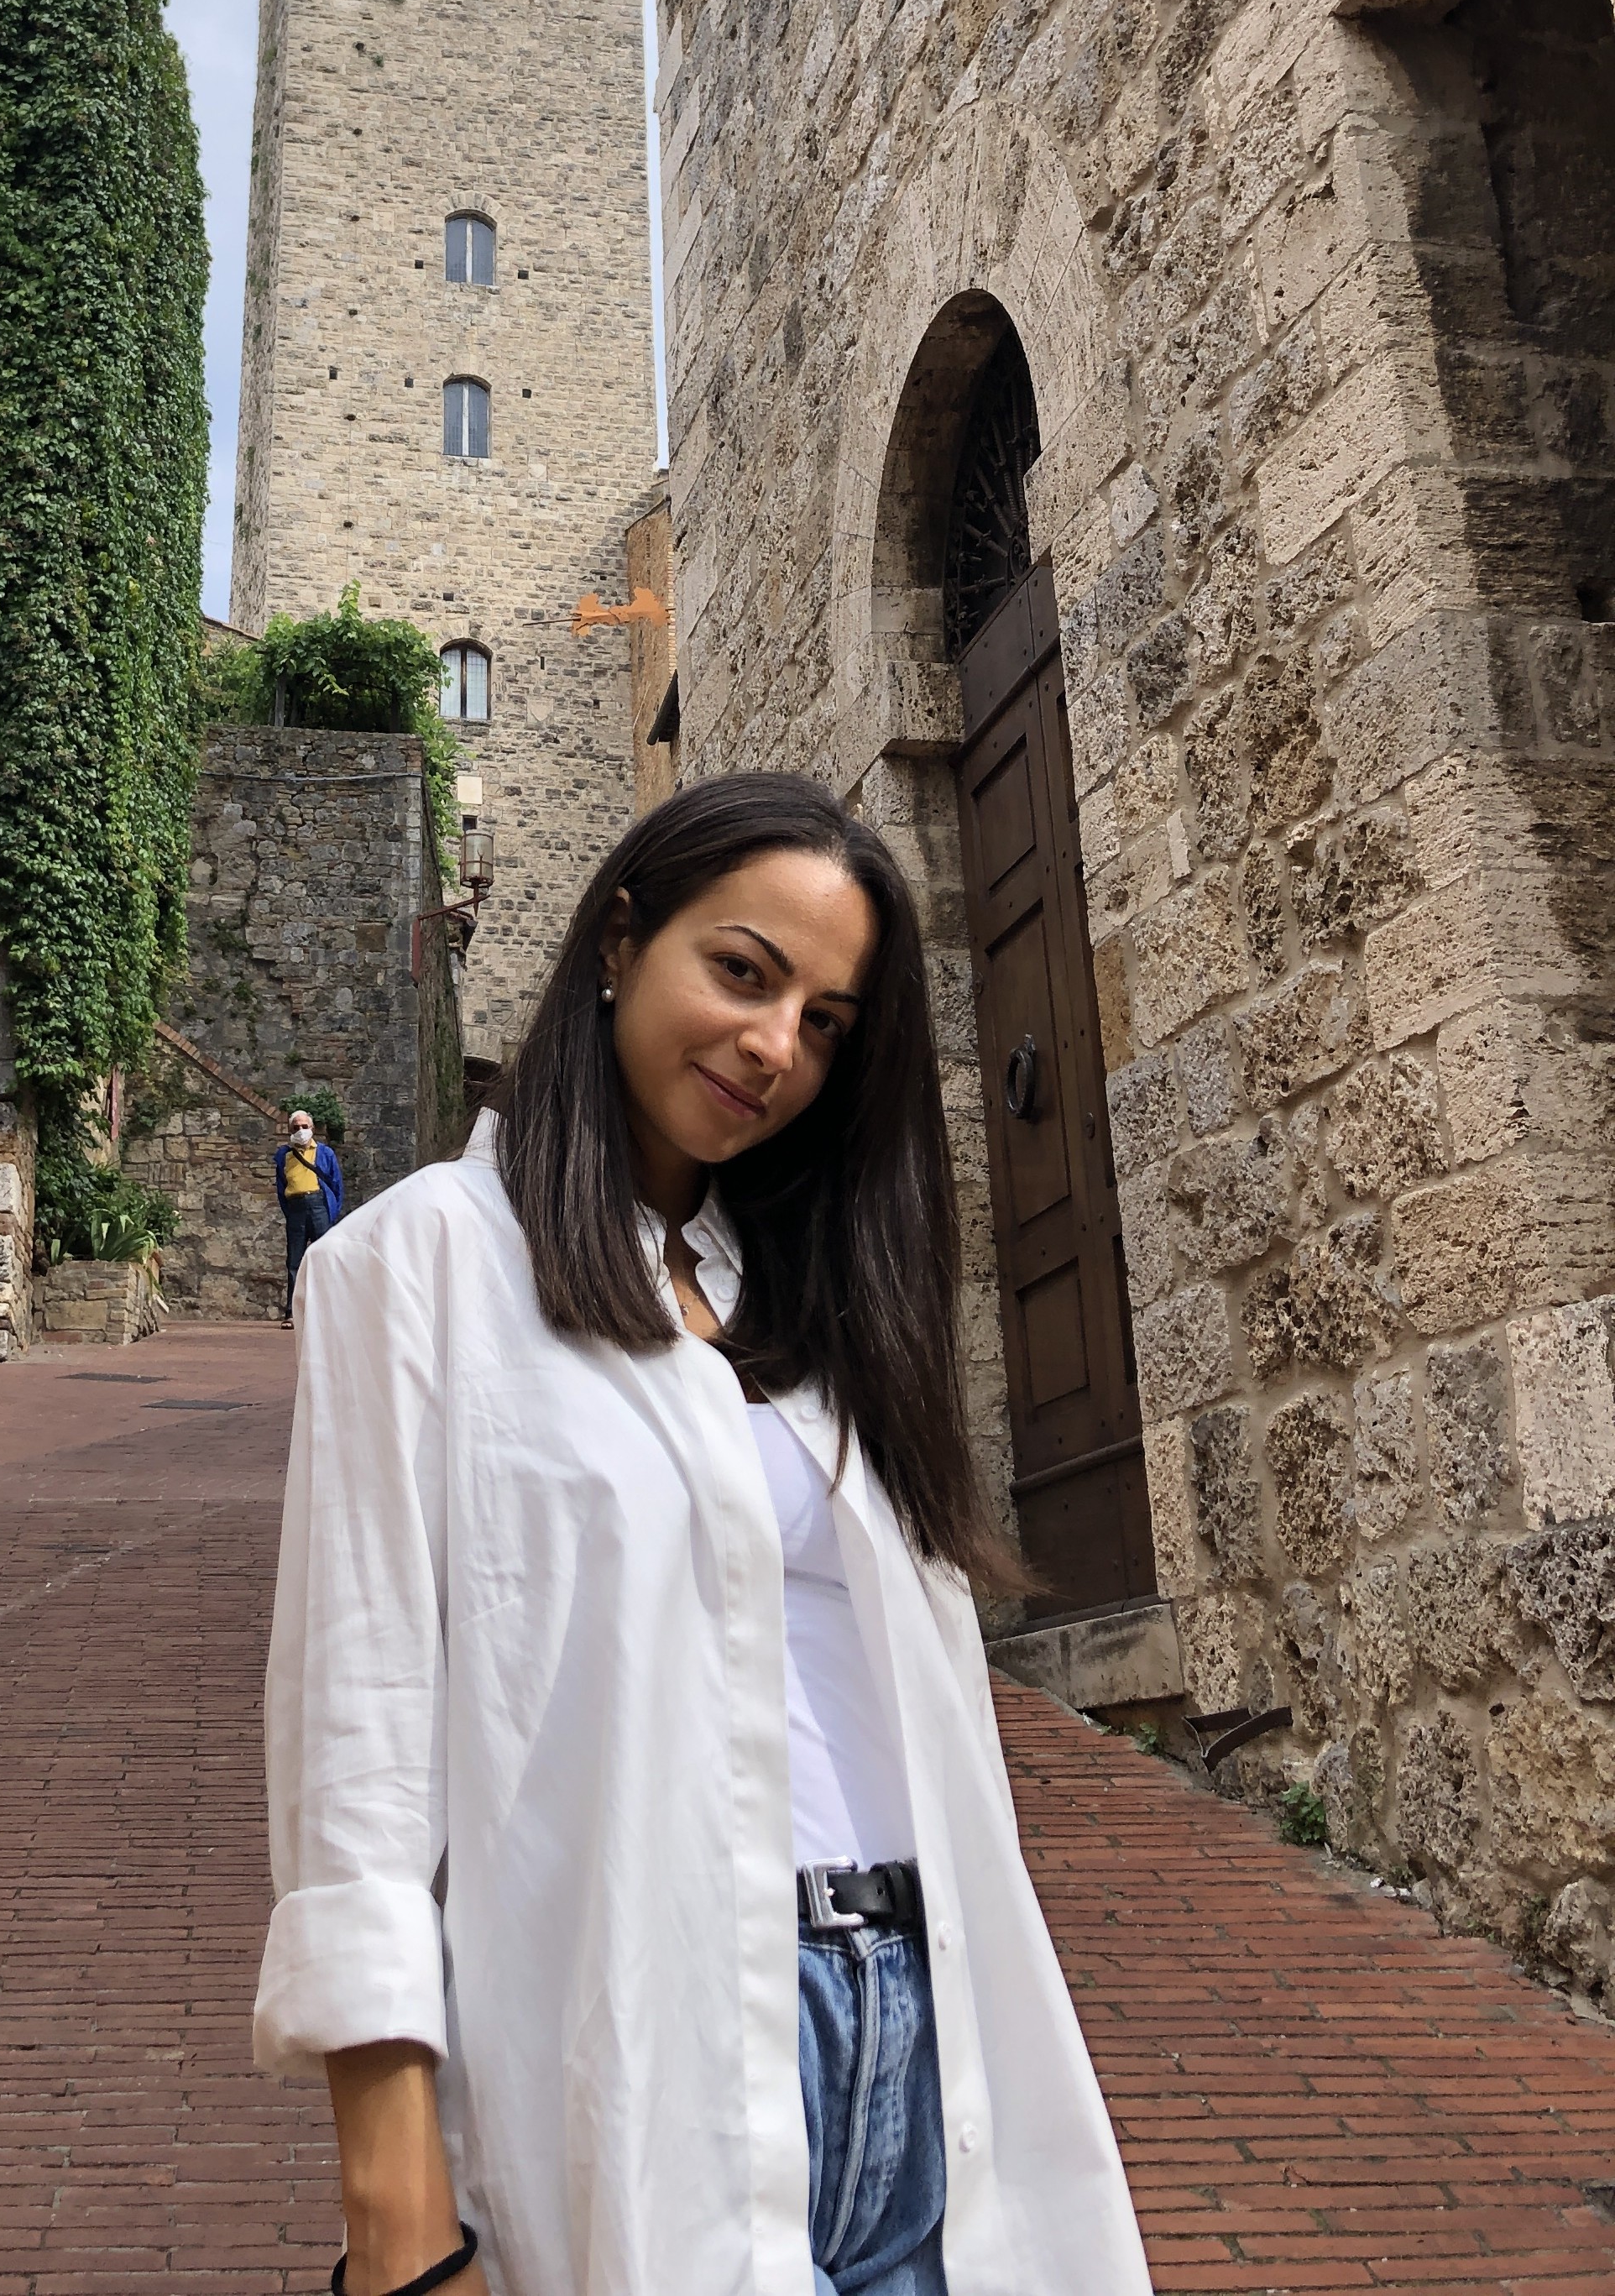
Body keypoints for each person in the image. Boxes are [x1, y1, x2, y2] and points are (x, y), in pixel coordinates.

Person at [255, 773, 1152, 2296]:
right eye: (742, 972)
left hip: (927, 2043)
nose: (774, 1046)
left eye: (825, 1023)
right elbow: (360, 1756)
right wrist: (396, 2226)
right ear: (620, 940)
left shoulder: (817, 1299)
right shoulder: (415, 1270)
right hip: (656, 2055)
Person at [275, 1106, 344, 1325]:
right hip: (296, 1207)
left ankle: (327, 1312)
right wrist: (290, 1211)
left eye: (304, 1126)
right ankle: (292, 1313)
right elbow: (281, 1188)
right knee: (294, 1262)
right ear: (290, 1130)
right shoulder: (284, 1155)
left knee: (324, 1258)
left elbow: (336, 1184)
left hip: (318, 1205)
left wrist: (331, 1211)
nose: (301, 1130)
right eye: (296, 1127)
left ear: (312, 1129)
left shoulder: (325, 1153)